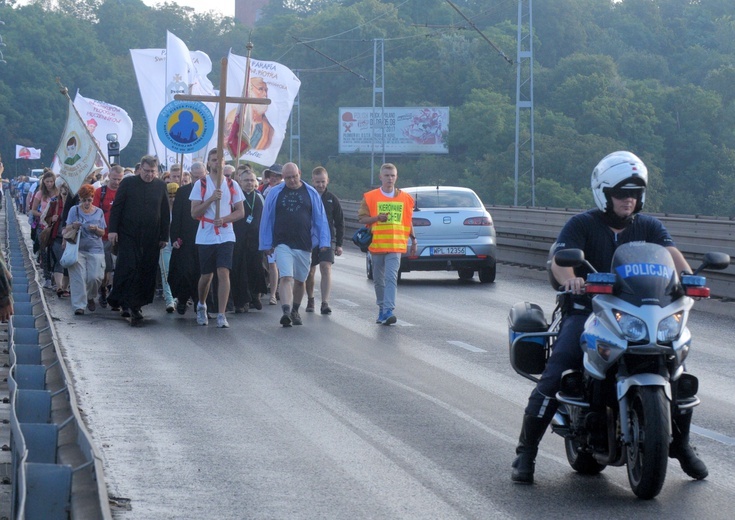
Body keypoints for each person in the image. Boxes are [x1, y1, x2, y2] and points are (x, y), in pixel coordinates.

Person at [510, 150, 707, 484]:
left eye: (634, 194)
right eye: (621, 193)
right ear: (604, 193)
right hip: (589, 312)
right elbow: (560, 260)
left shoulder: (650, 227)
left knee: (677, 368)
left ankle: (682, 444)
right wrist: (570, 279)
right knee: (558, 369)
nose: (628, 200)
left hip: (643, 314)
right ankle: (525, 453)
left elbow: (674, 259)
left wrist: (690, 281)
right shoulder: (582, 224)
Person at [259, 162, 330, 327]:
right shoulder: (275, 193)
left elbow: (320, 218)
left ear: (299, 173)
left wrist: (324, 241)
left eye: (294, 176)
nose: (291, 180)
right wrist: (266, 243)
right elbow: (266, 219)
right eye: (288, 177)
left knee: (300, 281)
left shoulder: (311, 192)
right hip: (282, 243)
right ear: (283, 177)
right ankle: (285, 311)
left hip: (304, 244)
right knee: (286, 277)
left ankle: (295, 310)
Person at [107, 155, 170, 326]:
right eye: (147, 171)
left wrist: (165, 236)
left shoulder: (160, 186)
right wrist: (112, 230)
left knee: (145, 270)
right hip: (128, 234)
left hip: (151, 236)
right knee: (128, 267)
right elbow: (117, 208)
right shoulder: (128, 183)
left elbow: (164, 212)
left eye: (153, 172)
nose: (149, 175)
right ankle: (124, 301)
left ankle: (136, 305)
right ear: (140, 169)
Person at [189, 149, 245, 328]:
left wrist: (225, 220)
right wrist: (211, 199)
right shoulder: (201, 184)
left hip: (226, 234)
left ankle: (221, 313)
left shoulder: (232, 184)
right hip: (206, 235)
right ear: (209, 163)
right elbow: (194, 212)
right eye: (213, 160)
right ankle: (201, 305)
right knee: (207, 275)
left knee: (223, 271)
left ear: (223, 163)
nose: (216, 163)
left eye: (219, 160)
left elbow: (240, 211)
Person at [357, 163, 417, 325]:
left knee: (391, 278)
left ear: (396, 177)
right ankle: (382, 308)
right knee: (379, 280)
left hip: (395, 245)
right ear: (380, 177)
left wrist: (414, 239)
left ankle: (389, 310)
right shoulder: (370, 197)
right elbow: (362, 218)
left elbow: (408, 219)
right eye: (387, 175)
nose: (390, 178)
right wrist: (377, 218)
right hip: (376, 245)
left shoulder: (405, 198)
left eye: (393, 175)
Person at [305, 166, 344, 315]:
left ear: (327, 181)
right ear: (312, 181)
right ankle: (310, 298)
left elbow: (340, 222)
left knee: (326, 267)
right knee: (310, 271)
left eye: (323, 182)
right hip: (310, 239)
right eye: (317, 182)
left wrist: (339, 244)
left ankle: (325, 302)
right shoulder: (307, 196)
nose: (320, 185)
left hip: (328, 239)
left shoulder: (332, 199)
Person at [168, 161, 205, 316]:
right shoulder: (183, 192)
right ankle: (182, 299)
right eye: (194, 177)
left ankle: (199, 301)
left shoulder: (210, 191)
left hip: (204, 237)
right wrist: (175, 238)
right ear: (190, 176)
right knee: (185, 272)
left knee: (201, 272)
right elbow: (176, 217)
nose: (197, 180)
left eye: (200, 177)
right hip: (186, 238)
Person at [63, 184, 106, 316]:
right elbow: (67, 228)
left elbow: (102, 232)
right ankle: (79, 306)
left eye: (89, 199)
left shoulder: (99, 212)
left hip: (95, 249)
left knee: (95, 277)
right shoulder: (73, 210)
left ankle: (90, 296)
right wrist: (74, 226)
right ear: (80, 199)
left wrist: (96, 229)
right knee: (78, 278)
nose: (87, 202)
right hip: (77, 248)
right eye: (84, 199)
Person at [231, 166, 267, 313]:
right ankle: (241, 301)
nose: (249, 183)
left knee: (255, 268)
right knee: (240, 270)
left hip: (255, 239)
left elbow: (266, 219)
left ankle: (255, 295)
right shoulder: (235, 196)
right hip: (238, 238)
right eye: (246, 180)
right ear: (240, 181)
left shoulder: (259, 197)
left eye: (252, 180)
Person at [93, 164, 124, 308]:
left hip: (121, 235)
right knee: (106, 268)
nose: (116, 182)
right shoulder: (100, 192)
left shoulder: (124, 192)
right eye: (114, 179)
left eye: (119, 179)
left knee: (118, 267)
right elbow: (93, 212)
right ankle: (103, 289)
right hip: (104, 236)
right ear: (108, 177)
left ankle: (114, 291)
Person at [30, 170, 61, 289]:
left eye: (51, 181)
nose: (49, 184)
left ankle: (54, 276)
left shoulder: (58, 193)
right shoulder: (40, 194)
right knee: (44, 252)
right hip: (43, 226)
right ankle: (47, 277)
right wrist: (43, 214)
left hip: (54, 226)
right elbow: (32, 210)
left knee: (53, 252)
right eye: (47, 181)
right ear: (44, 182)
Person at [261, 164, 284, 305]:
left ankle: (279, 290)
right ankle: (274, 293)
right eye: (272, 175)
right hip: (269, 231)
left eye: (277, 175)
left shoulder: (285, 191)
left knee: (279, 263)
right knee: (272, 263)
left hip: (282, 231)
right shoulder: (264, 190)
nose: (274, 178)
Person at [159, 182, 179, 313]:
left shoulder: (182, 208)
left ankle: (178, 296)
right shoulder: (161, 208)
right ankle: (169, 299)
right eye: (169, 195)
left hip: (178, 244)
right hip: (165, 244)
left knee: (178, 272)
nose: (172, 198)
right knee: (165, 271)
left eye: (175, 195)